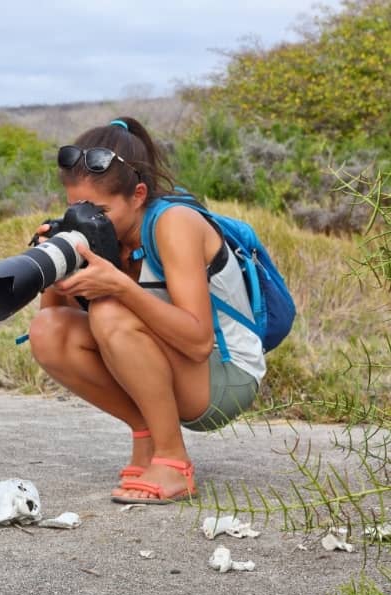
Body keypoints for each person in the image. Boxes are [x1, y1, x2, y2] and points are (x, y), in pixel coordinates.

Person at [28, 117, 265, 504]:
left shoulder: (174, 223)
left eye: (100, 210)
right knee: (47, 330)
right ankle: (148, 437)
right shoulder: (100, 237)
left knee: (109, 312)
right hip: (177, 367)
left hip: (225, 375)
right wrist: (56, 267)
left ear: (138, 195)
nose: (87, 219)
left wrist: (120, 286)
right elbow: (57, 319)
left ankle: (173, 462)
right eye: (76, 208)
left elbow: (198, 341)